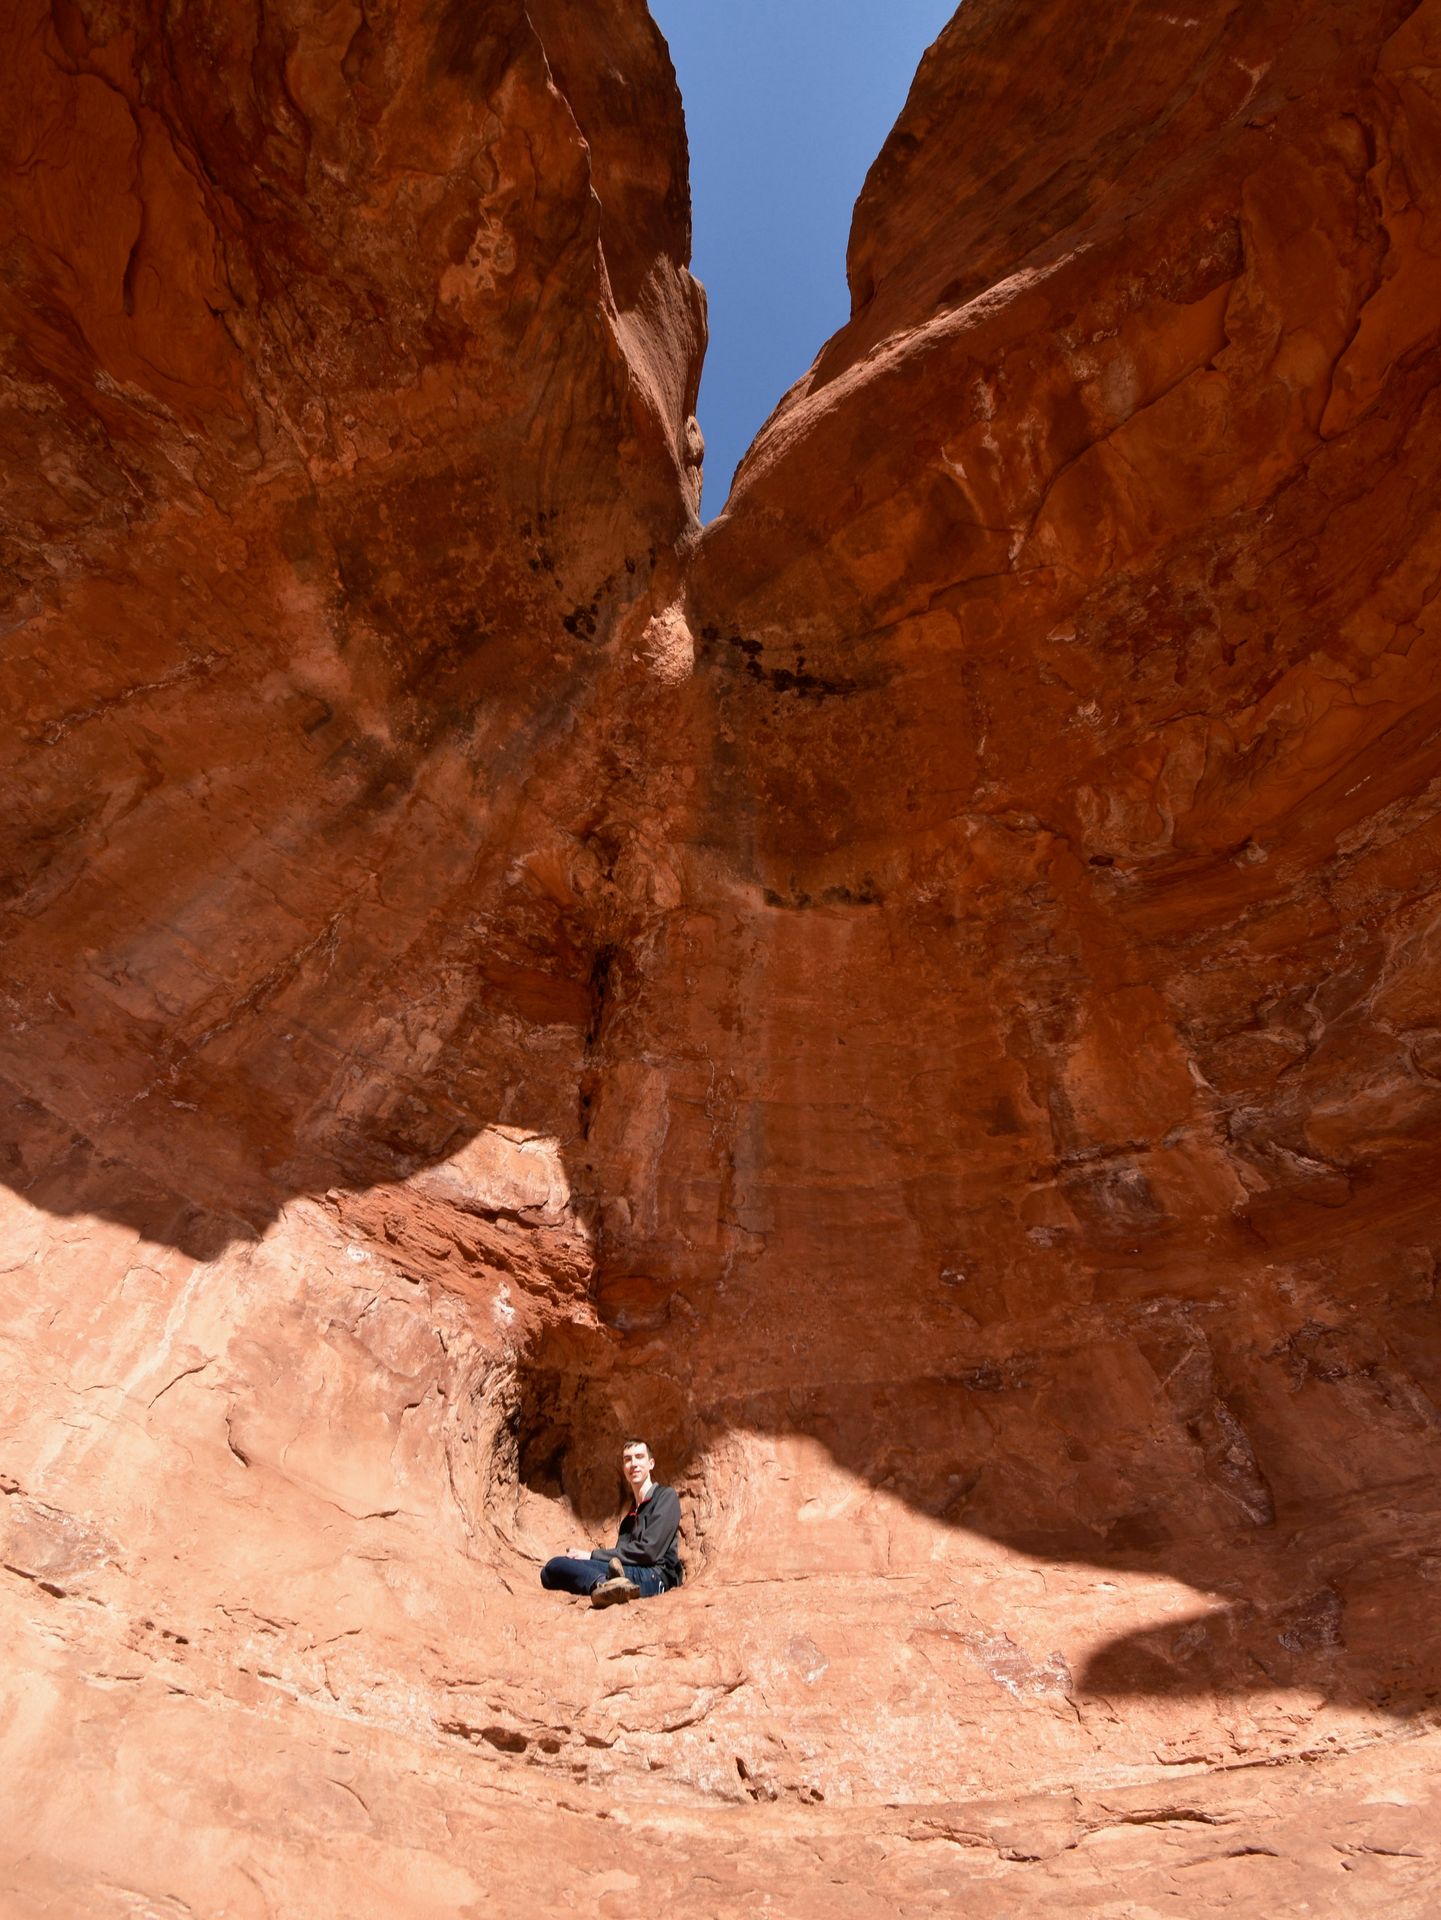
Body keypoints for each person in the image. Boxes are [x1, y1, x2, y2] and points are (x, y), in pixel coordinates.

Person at [540, 1437, 682, 1607]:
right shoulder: (629, 1519)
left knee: (559, 1565)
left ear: (651, 1463)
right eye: (627, 1459)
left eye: (639, 1457)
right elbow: (620, 1560)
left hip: (654, 1577)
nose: (633, 1464)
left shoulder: (666, 1497)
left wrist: (592, 1555)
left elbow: (649, 1551)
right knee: (551, 1570)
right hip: (631, 1574)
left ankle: (606, 1585)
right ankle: (608, 1585)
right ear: (624, 1468)